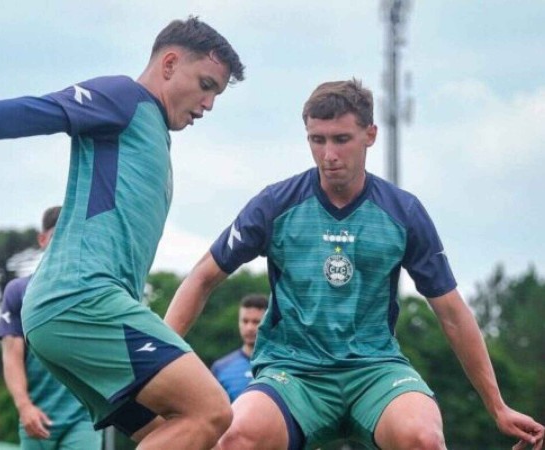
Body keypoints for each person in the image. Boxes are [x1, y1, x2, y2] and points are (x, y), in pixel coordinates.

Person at [0, 17, 245, 450]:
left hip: (74, 312)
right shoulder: (124, 98)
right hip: (81, 299)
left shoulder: (153, 133)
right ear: (168, 64)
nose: (209, 103)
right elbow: (36, 111)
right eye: (205, 85)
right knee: (211, 410)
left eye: (216, 93)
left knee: (173, 428)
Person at [165, 79, 544, 450]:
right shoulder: (274, 205)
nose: (329, 154)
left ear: (370, 135)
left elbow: (451, 313)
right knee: (236, 439)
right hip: (294, 374)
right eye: (318, 140)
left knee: (424, 438)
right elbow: (201, 278)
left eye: (341, 139)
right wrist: (154, 369)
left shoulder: (404, 212)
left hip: (376, 372)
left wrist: (497, 407)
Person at [0, 206, 103, 449]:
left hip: (83, 416)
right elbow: (11, 357)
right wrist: (24, 406)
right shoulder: (19, 291)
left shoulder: (93, 289)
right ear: (42, 239)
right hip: (36, 416)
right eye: (58, 235)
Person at [211, 293, 268, 402]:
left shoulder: (281, 364)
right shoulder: (221, 368)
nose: (250, 328)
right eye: (245, 321)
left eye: (256, 322)